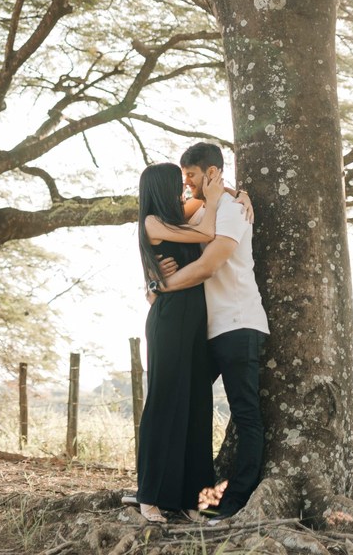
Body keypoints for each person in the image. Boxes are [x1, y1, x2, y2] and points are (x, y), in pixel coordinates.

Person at [158, 142, 270, 523]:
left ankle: (235, 501)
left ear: (210, 173)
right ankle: (177, 491)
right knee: (184, 402)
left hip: (239, 324)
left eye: (191, 175)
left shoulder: (234, 211)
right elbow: (169, 219)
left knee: (246, 414)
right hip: (208, 331)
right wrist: (235, 189)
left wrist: (163, 286)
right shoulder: (204, 210)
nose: (186, 183)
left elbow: (209, 265)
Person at [132, 162, 223, 523]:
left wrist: (238, 195)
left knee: (197, 406)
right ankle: (150, 496)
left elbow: (211, 202)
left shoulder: (179, 220)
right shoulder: (152, 223)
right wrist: (211, 202)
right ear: (161, 188)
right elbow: (208, 232)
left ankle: (195, 501)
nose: (183, 188)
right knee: (164, 404)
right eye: (177, 182)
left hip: (195, 319)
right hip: (169, 320)